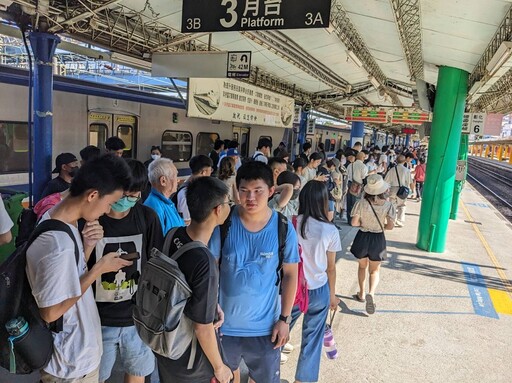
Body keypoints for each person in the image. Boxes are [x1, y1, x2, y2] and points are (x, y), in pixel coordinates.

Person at [25, 154, 134, 381]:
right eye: (109, 203)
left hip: (77, 357)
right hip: (70, 365)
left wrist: (87, 246)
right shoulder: (58, 244)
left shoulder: (61, 220)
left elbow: (68, 277)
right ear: (92, 195)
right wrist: (97, 271)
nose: (107, 210)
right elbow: (50, 311)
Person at [218, 161, 299, 383]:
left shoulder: (282, 227)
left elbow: (291, 274)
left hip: (266, 330)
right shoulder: (224, 223)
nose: (250, 198)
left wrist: (284, 319)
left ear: (271, 191)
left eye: (258, 191)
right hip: (224, 328)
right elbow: (210, 268)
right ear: (237, 190)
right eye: (244, 191)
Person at [88, 159, 164, 383]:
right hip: (98, 319)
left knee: (137, 372)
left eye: (134, 196)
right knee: (96, 377)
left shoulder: (146, 217)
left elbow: (156, 262)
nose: (127, 201)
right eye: (123, 195)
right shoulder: (92, 219)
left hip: (136, 319)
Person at [155, 177, 233, 383]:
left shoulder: (174, 234)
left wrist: (210, 303)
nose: (230, 207)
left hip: (165, 343)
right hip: (189, 358)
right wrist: (220, 368)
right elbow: (202, 327)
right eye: (228, 203)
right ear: (217, 210)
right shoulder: (204, 261)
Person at [290, 180, 341, 383]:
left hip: (292, 289)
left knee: (278, 331)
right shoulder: (330, 231)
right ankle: (302, 380)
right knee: (312, 340)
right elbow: (331, 267)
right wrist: (332, 295)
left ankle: (265, 373)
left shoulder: (291, 223)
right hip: (318, 290)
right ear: (323, 201)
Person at [350, 174, 396, 314]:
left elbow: (354, 223)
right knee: (374, 270)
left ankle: (362, 294)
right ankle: (372, 293)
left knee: (362, 266)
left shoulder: (361, 203)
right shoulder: (388, 205)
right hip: (378, 239)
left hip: (363, 237)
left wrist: (364, 223)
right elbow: (390, 226)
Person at [144, 158, 185, 235]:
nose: (178, 180)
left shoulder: (166, 202)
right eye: (175, 176)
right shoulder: (155, 208)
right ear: (163, 181)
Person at [177, 155, 213, 225]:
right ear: (203, 172)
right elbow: (185, 221)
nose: (210, 173)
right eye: (210, 170)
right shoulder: (185, 192)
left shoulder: (196, 186)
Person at [384, 155, 414, 227]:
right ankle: (400, 221)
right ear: (404, 161)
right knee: (402, 205)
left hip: (393, 189)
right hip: (403, 190)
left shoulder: (392, 170)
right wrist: (412, 190)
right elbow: (411, 182)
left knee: (392, 205)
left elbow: (386, 181)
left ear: (396, 161)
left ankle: (392, 220)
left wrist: (385, 191)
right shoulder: (406, 170)